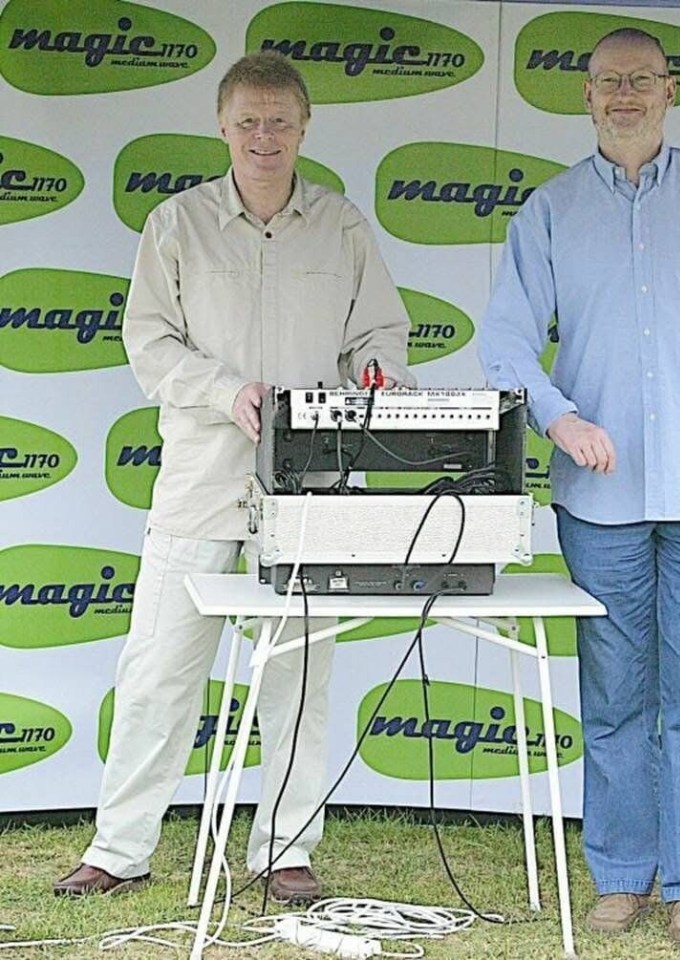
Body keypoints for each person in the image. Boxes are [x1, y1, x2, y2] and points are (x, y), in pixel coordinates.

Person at [54, 52, 415, 903]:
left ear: (303, 128)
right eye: (248, 121)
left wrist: (377, 374)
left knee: (298, 676)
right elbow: (149, 344)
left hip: (313, 491)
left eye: (279, 122)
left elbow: (381, 333)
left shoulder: (343, 224)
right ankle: (118, 848)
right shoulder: (174, 224)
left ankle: (284, 849)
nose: (264, 136)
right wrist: (227, 392)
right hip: (199, 484)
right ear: (222, 126)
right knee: (157, 670)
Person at [479, 27, 680, 952]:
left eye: (640, 80)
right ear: (584, 97)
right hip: (599, 501)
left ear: (669, 92)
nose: (623, 94)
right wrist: (557, 415)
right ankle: (620, 876)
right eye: (606, 81)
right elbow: (503, 344)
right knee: (615, 697)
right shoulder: (548, 212)